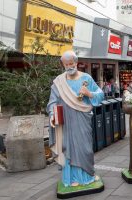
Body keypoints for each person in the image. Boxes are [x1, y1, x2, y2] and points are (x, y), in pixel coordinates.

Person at [47, 50, 104, 187]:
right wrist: (52, 115)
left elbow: (100, 94)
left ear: (76, 63)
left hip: (82, 119)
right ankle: (71, 178)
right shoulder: (59, 82)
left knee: (85, 148)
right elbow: (52, 102)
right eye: (66, 65)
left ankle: (87, 176)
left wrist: (89, 93)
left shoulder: (86, 78)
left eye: (71, 63)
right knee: (68, 148)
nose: (69, 67)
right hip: (66, 121)